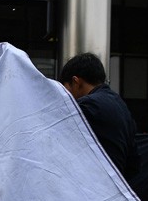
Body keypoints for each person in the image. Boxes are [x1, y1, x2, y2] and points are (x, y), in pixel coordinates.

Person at [59, 53, 140, 182]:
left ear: (76, 81)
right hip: (121, 186)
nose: (67, 95)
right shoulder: (120, 104)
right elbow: (134, 161)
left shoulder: (85, 106)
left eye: (66, 89)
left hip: (98, 187)